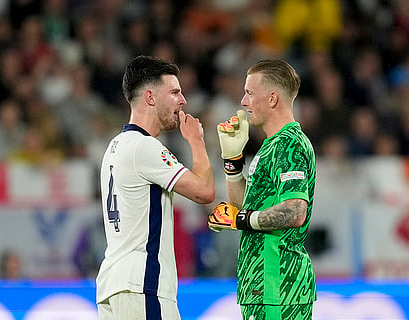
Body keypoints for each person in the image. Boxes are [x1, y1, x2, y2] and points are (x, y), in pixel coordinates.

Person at [96, 55, 215, 320]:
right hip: (143, 284)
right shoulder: (145, 147)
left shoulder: (115, 146)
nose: (182, 101)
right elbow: (205, 192)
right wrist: (196, 141)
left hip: (113, 285)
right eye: (174, 92)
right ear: (150, 97)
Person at [208, 59, 317, 320]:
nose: (243, 102)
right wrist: (233, 163)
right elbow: (243, 206)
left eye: (249, 93)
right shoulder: (271, 145)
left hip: (278, 284)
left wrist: (242, 220)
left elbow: (295, 211)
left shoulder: (289, 145)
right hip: (261, 285)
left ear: (272, 99)